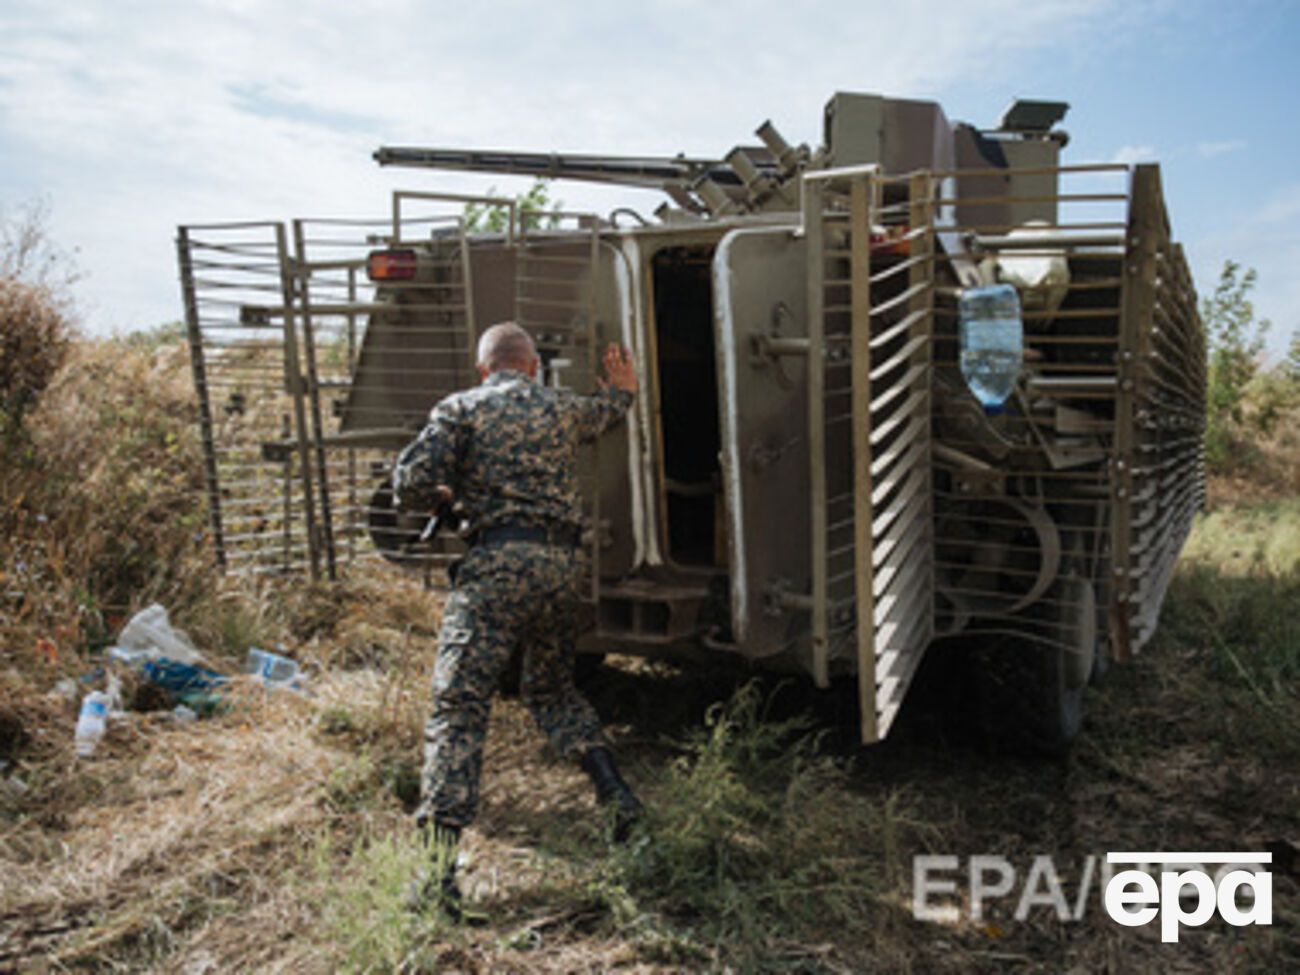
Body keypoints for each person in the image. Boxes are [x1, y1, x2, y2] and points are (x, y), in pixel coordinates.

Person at [392, 321, 643, 920]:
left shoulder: (461, 407)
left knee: (459, 705)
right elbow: (607, 411)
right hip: (560, 567)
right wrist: (624, 390)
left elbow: (408, 484)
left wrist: (446, 497)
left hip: (496, 567)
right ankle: (616, 794)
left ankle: (435, 874)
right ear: (532, 367)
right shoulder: (561, 407)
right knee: (552, 689)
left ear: (485, 369)